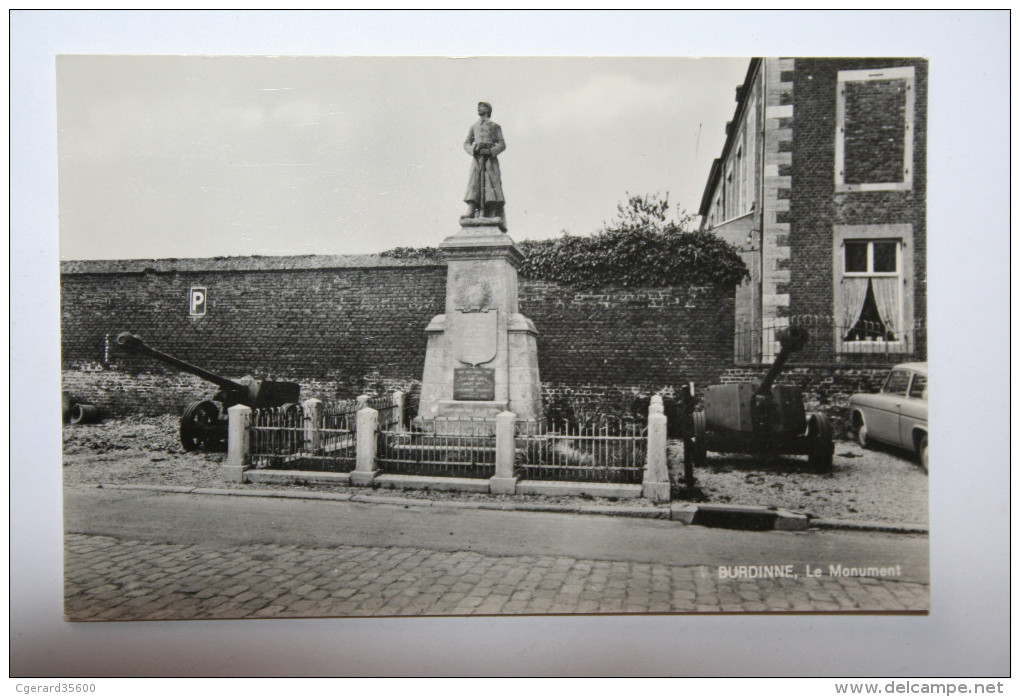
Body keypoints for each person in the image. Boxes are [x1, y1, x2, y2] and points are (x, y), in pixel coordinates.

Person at [462, 101, 507, 230]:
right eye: (478, 106)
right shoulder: (474, 126)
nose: (479, 108)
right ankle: (471, 208)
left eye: (482, 106)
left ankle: (491, 211)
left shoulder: (494, 126)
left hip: (490, 160)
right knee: (474, 183)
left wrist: (491, 151)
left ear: (488, 109)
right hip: (477, 159)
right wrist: (473, 150)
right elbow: (466, 143)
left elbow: (502, 144)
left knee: (490, 183)